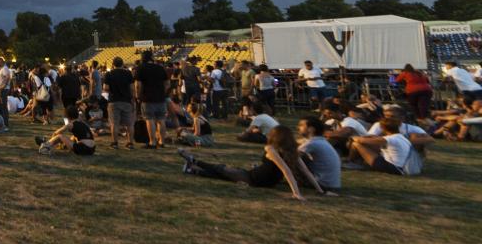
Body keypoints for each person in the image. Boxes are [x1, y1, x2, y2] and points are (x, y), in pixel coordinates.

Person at [179, 126, 329, 200]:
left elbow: (286, 171)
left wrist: (296, 193)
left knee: (222, 169)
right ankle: (192, 169)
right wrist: (320, 190)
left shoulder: (270, 149)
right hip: (266, 181)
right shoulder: (290, 151)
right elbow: (304, 172)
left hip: (254, 178)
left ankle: (193, 161)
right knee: (226, 174)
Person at [348, 117, 422, 175]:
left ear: (383, 128)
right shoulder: (401, 137)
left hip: (396, 168)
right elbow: (377, 140)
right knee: (368, 145)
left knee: (356, 144)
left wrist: (353, 137)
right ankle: (357, 162)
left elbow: (361, 141)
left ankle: (352, 162)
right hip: (404, 167)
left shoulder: (390, 139)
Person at [134, 51, 169, 149]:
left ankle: (152, 142)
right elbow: (167, 83)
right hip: (160, 98)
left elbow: (138, 85)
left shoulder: (140, 68)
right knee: (161, 120)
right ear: (152, 58)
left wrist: (138, 96)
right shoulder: (160, 68)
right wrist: (163, 93)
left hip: (147, 98)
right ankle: (162, 141)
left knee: (149, 119)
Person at [296, 116, 341, 193]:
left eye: (301, 125)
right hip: (333, 185)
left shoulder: (312, 143)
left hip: (323, 185)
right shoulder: (321, 141)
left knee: (292, 157)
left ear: (311, 129)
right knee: (303, 157)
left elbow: (292, 156)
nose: (298, 127)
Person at [104, 57, 136, 149]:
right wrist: (133, 100)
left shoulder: (109, 74)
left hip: (114, 100)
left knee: (114, 123)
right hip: (126, 100)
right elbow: (132, 88)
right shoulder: (128, 73)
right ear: (122, 64)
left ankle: (115, 143)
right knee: (129, 124)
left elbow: (106, 88)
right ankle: (130, 143)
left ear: (113, 64)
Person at [0, 56, 13, 128]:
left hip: (3, 90)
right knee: (1, 106)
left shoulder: (5, 68)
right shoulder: (3, 68)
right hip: (2, 89)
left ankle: (5, 124)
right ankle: (3, 123)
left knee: (3, 106)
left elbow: (8, 77)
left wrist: (3, 86)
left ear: (2, 61)